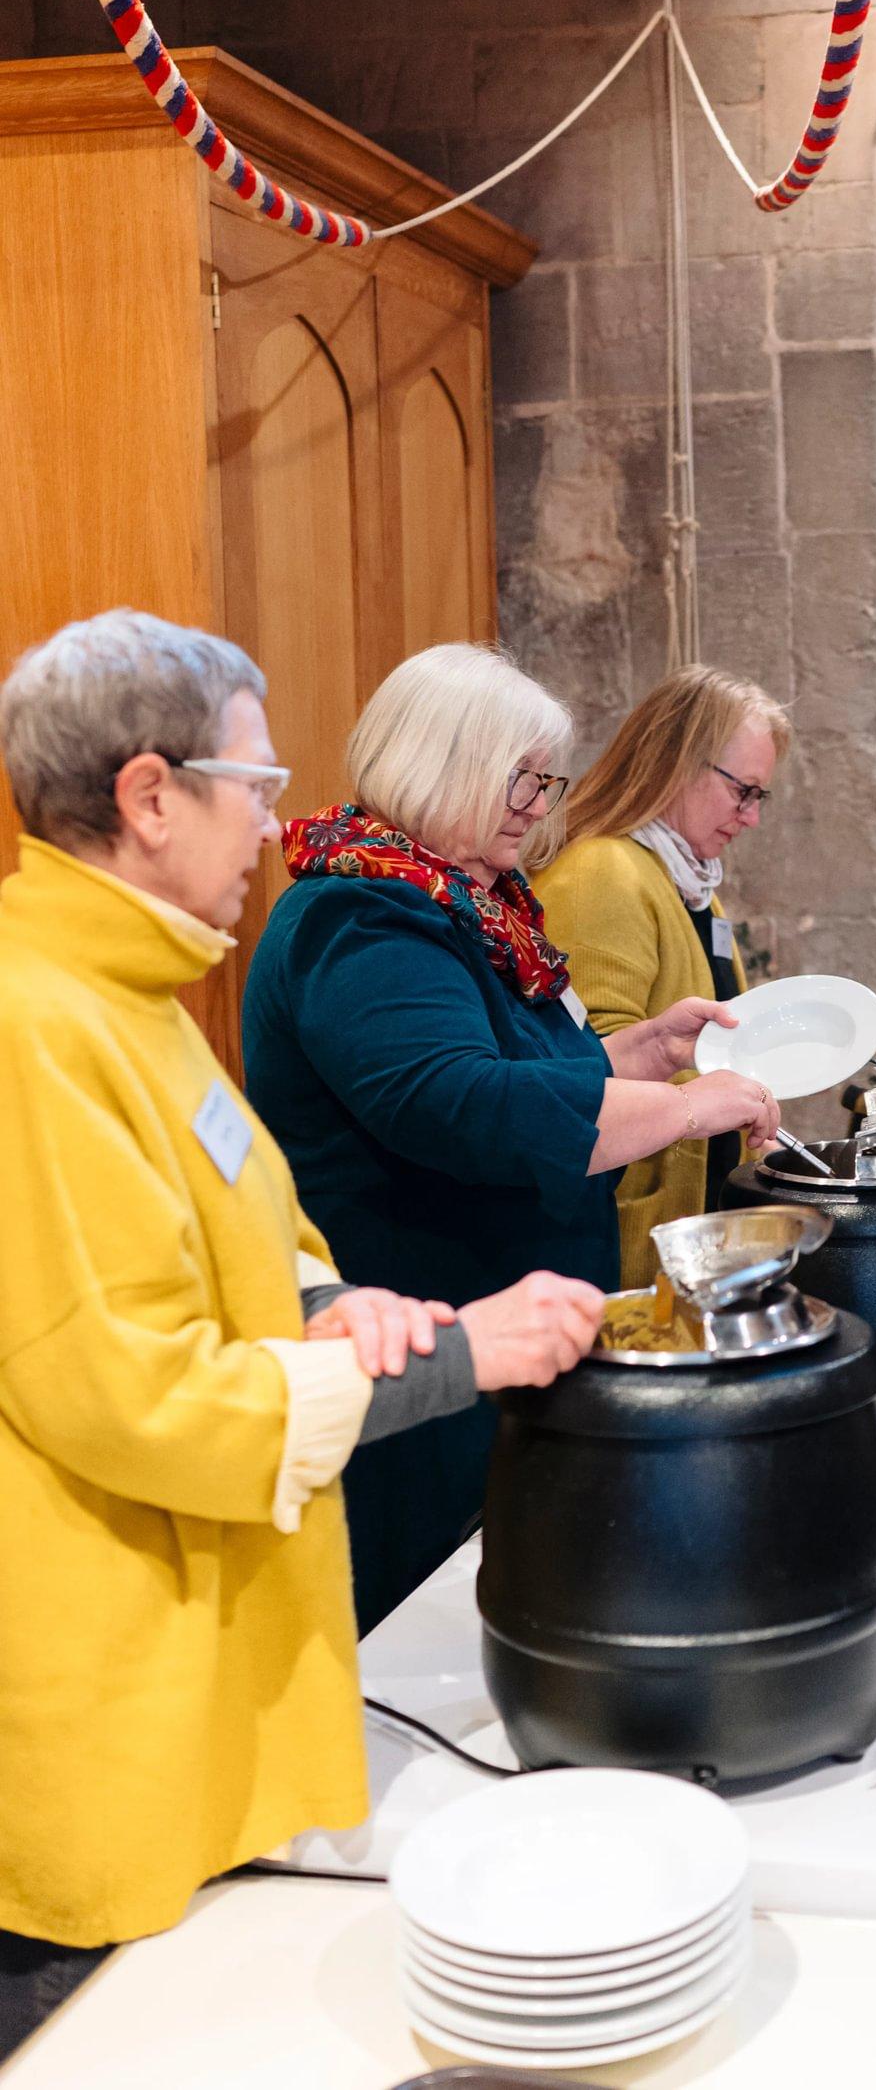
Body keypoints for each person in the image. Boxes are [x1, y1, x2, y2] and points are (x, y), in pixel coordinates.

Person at [0, 610, 605, 2060]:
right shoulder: (35, 1027)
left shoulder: (131, 999)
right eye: (253, 789)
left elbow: (241, 1225)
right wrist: (463, 1352)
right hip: (115, 1682)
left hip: (215, 1633)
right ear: (149, 797)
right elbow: (131, 1391)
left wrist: (337, 1303)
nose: (274, 831)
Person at [243, 643, 779, 1630]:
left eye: (546, 777)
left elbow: (524, 1073)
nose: (540, 803)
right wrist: (689, 1108)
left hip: (500, 1339)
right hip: (425, 1353)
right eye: (521, 776)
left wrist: (638, 1056)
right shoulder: (359, 915)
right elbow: (467, 1106)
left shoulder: (468, 905)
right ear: (439, 761)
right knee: (424, 1639)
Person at [536, 666, 790, 1286]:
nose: (751, 817)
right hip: (628, 1234)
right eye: (744, 792)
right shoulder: (602, 870)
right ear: (680, 762)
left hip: (688, 1222)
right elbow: (587, 1064)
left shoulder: (688, 879)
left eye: (760, 796)